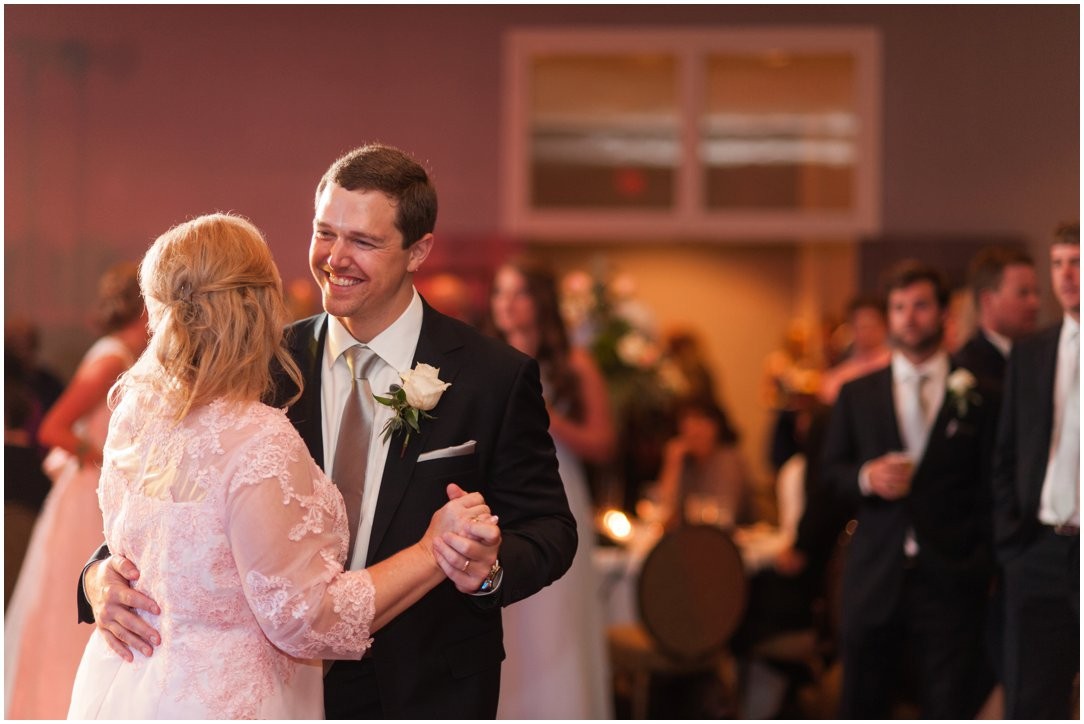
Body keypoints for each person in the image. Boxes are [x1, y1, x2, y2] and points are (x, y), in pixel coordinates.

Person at [79, 144, 577, 719]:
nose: (335, 259)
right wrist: (96, 579)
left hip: (426, 685)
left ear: (419, 251)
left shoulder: (492, 377)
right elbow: (181, 512)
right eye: (325, 233)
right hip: (276, 688)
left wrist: (488, 571)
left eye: (363, 242)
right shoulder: (259, 363)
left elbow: (551, 527)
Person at [822, 260, 996, 718]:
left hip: (951, 577)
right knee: (863, 703)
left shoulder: (981, 392)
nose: (908, 317)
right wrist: (865, 477)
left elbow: (992, 483)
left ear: (943, 314)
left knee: (948, 703)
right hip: (875, 572)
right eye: (898, 307)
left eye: (920, 305)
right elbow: (828, 475)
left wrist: (980, 559)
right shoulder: (857, 394)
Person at [4, 262, 147, 719]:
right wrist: (110, 459)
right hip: (89, 492)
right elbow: (53, 427)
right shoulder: (112, 358)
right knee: (71, 614)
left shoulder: (124, 357)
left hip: (99, 491)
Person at [486, 256, 615, 719]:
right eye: (500, 293)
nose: (507, 304)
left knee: (556, 615)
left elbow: (604, 443)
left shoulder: (574, 366)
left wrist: (553, 422)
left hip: (559, 487)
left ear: (540, 302)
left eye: (517, 293)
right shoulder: (488, 360)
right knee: (509, 617)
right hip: (501, 496)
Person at [993, 221, 1079, 719]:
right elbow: (1006, 454)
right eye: (1058, 262)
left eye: (1077, 261)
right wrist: (1013, 542)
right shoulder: (1031, 351)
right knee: (1031, 701)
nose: (1067, 275)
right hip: (1040, 548)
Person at [954, 245, 1040, 393]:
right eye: (1023, 293)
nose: (1035, 303)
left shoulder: (1039, 356)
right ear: (987, 300)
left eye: (1036, 292)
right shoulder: (968, 366)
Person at [653, 399, 748, 530]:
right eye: (687, 421)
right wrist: (672, 464)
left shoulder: (728, 460)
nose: (694, 430)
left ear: (717, 426)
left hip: (727, 542)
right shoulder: (684, 461)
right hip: (690, 540)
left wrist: (686, 511)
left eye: (701, 421)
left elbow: (725, 514)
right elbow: (661, 512)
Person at [818, 295, 891, 405]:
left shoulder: (894, 364)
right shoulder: (843, 370)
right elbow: (828, 389)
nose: (865, 332)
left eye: (870, 325)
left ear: (885, 326)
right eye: (860, 325)